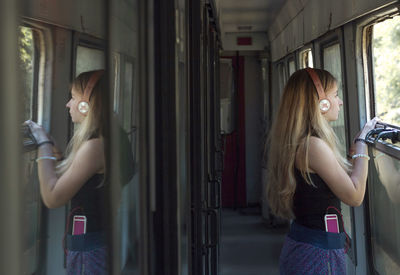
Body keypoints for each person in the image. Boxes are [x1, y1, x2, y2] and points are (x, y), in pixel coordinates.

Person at [265, 68, 379, 274]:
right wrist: (362, 145)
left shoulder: (303, 142)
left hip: (307, 246)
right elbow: (354, 196)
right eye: (335, 95)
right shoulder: (313, 146)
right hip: (318, 255)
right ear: (321, 103)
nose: (340, 102)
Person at [25, 70, 108, 274]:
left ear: (85, 105)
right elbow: (71, 177)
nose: (68, 104)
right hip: (85, 245)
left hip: (88, 250)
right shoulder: (94, 142)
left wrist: (43, 142)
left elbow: (53, 197)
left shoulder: (95, 146)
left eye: (73, 98)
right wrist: (55, 153)